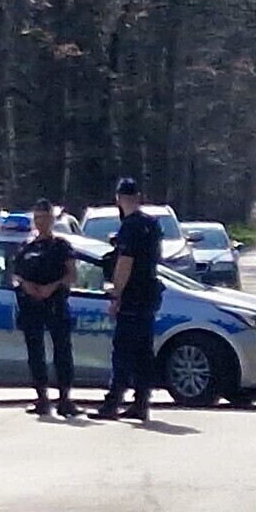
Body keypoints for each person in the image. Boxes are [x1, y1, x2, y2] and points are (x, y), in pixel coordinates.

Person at [93, 177, 162, 422]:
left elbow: (125, 263)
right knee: (143, 352)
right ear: (139, 197)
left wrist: (116, 294)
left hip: (132, 296)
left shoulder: (129, 227)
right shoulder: (152, 225)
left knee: (122, 352)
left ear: (118, 199)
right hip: (149, 295)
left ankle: (113, 402)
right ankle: (141, 402)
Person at [13, 198, 80, 417]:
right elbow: (15, 275)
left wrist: (53, 286)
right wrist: (26, 285)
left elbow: (72, 274)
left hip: (55, 303)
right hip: (31, 305)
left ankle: (65, 399)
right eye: (38, 218)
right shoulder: (26, 246)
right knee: (35, 352)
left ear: (52, 219)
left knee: (62, 351)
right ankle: (41, 397)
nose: (41, 222)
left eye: (45, 217)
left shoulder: (61, 246)